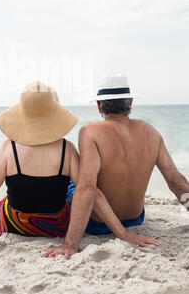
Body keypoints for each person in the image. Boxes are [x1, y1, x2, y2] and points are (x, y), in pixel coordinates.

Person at [0, 80, 157, 249]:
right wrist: (123, 233)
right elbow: (90, 190)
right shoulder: (67, 150)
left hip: (14, 225)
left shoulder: (8, 148)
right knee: (73, 193)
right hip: (56, 226)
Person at [44, 74, 189, 259]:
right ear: (130, 102)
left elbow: (88, 188)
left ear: (99, 106)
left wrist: (70, 244)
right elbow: (176, 181)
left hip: (96, 225)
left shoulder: (90, 132)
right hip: (136, 218)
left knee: (72, 183)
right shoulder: (151, 132)